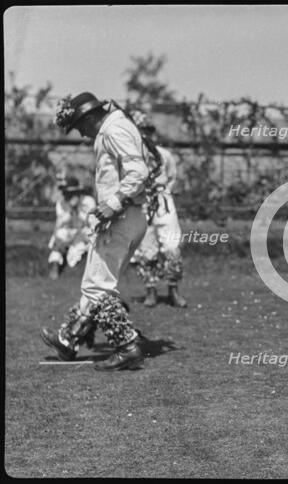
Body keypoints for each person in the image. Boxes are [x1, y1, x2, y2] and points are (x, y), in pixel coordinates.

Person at [41, 92, 151, 371]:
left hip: (122, 216)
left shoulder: (113, 129)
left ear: (90, 117)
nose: (81, 133)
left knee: (98, 285)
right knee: (97, 279)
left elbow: (138, 171)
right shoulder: (117, 126)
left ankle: (127, 347)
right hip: (130, 215)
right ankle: (69, 340)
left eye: (79, 126)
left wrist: (113, 204)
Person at [128, 110, 187, 308]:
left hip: (163, 204)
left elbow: (172, 177)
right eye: (139, 131)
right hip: (142, 204)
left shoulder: (164, 155)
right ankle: (150, 291)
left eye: (147, 131)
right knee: (146, 249)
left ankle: (173, 290)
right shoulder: (130, 158)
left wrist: (163, 193)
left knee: (171, 246)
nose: (144, 136)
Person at [47, 175, 96, 279]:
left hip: (84, 233)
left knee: (89, 240)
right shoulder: (61, 203)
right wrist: (70, 210)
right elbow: (59, 225)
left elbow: (92, 223)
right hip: (70, 232)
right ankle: (55, 263)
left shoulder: (88, 201)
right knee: (59, 236)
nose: (67, 196)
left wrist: (78, 210)